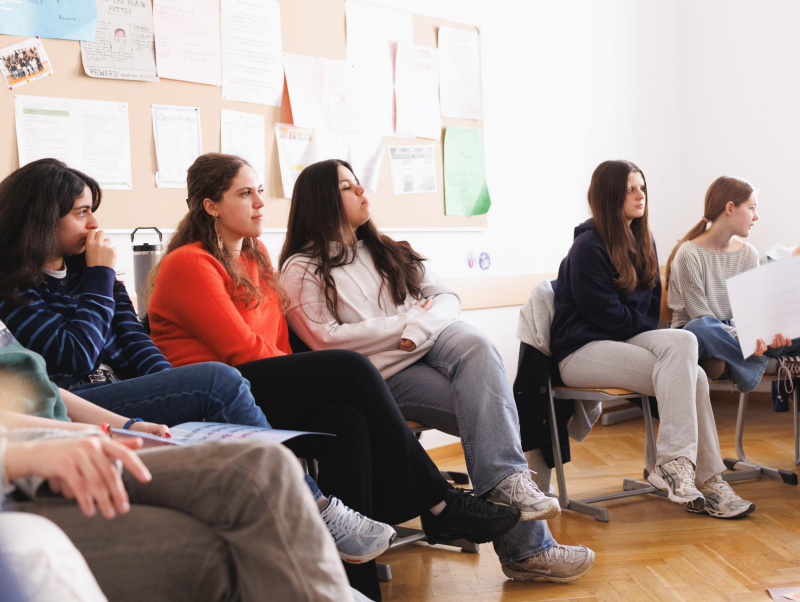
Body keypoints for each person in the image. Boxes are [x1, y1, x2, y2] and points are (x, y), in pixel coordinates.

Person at [0, 158, 408, 571]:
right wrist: (100, 275)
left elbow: (137, 343)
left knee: (343, 416)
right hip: (78, 402)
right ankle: (312, 505)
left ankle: (348, 575)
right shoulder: (15, 284)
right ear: (42, 219)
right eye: (82, 213)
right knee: (219, 381)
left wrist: (176, 389)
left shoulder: (91, 273)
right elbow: (75, 354)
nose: (93, 225)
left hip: (125, 395)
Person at [146, 153, 520, 600]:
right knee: (350, 366)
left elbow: (278, 346)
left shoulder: (256, 254)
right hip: (217, 395)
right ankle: (439, 500)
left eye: (260, 190)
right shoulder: (189, 263)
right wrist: (307, 375)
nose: (260, 202)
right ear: (210, 206)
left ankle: (355, 587)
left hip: (260, 383)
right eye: (245, 194)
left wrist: (303, 377)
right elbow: (241, 351)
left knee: (349, 421)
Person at [275, 158, 595, 583]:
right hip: (384, 376)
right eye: (347, 187)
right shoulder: (302, 269)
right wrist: (408, 324)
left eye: (358, 183)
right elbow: (328, 341)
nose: (362, 192)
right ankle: (528, 549)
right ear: (321, 200)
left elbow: (445, 296)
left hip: (427, 345)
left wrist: (419, 326)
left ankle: (507, 489)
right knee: (492, 412)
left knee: (479, 348)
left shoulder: (388, 248)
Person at [549, 160, 754, 519]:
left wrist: (639, 328)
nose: (639, 194)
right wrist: (639, 328)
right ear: (609, 194)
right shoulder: (587, 247)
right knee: (691, 370)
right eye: (630, 188)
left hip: (626, 340)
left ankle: (691, 472)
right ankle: (691, 472)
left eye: (642, 187)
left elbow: (644, 309)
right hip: (581, 351)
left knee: (691, 359)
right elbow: (605, 316)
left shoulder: (644, 240)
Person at [0, 418, 362, 601]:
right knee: (215, 553)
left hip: (29, 452)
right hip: (13, 483)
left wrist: (100, 432)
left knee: (264, 466)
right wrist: (22, 459)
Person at [664, 176, 800, 408]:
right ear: (730, 208)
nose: (756, 217)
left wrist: (770, 334)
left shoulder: (748, 253)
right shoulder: (689, 254)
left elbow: (754, 313)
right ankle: (759, 362)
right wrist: (744, 338)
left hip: (741, 335)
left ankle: (753, 356)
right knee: (700, 327)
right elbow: (699, 315)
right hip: (700, 334)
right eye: (752, 208)